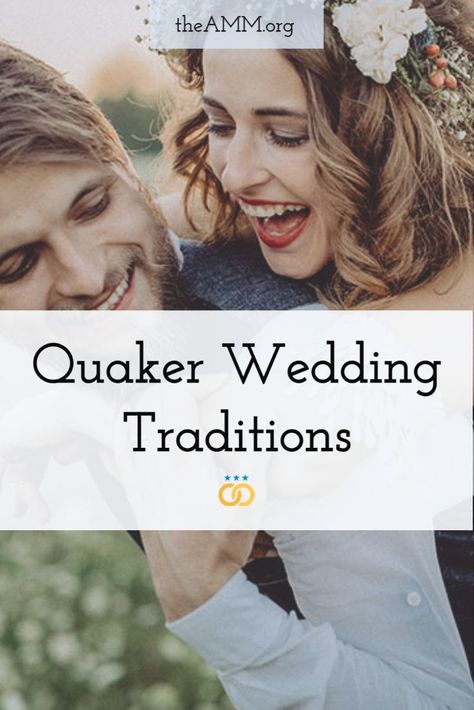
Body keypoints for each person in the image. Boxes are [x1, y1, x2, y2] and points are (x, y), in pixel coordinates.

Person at [141, 0, 474, 707]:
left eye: (285, 133)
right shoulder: (206, 269)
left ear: (392, 134)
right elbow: (151, 215)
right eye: (221, 125)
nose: (233, 172)